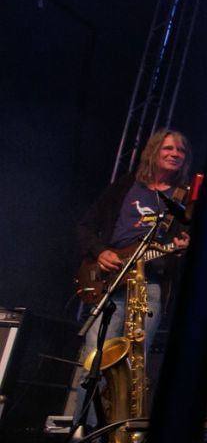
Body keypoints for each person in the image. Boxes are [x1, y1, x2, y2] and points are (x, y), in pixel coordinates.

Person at [70, 128, 193, 417]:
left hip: (150, 285)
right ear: (153, 152)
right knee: (95, 361)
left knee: (133, 366)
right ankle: (85, 431)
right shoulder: (126, 186)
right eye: (168, 148)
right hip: (110, 282)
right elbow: (85, 226)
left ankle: (121, 432)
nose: (175, 154)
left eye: (180, 150)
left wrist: (182, 247)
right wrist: (101, 251)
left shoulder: (184, 197)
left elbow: (187, 241)